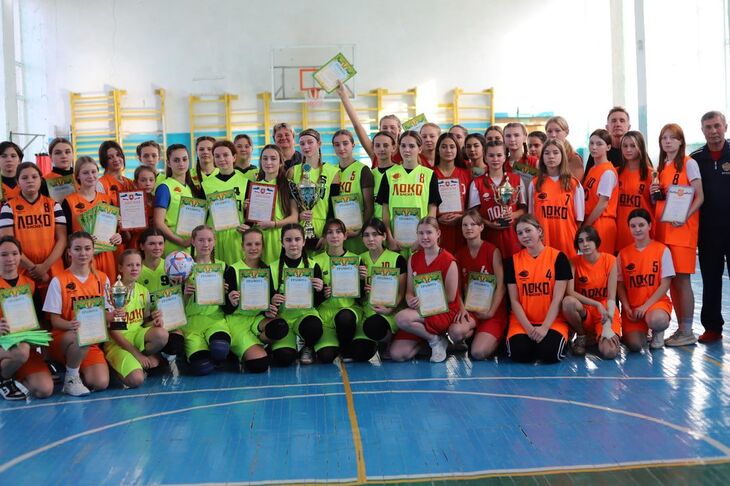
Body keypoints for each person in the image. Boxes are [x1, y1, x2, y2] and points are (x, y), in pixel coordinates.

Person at [653, 124, 704, 346]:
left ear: (681, 141)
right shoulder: (662, 167)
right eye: (664, 138)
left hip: (682, 232)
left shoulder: (689, 164)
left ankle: (687, 330)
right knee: (671, 280)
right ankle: (681, 328)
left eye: (672, 138)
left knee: (682, 280)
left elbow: (700, 196)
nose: (668, 141)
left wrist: (685, 216)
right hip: (663, 232)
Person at [43, 231, 111, 396]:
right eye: (77, 249)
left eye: (87, 248)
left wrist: (117, 314)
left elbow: (106, 315)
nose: (83, 253)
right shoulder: (58, 280)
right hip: (64, 338)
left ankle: (75, 368)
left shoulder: (102, 279)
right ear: (69, 252)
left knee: (100, 383)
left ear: (93, 250)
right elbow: (55, 321)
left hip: (90, 342)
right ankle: (71, 379)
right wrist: (70, 325)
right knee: (80, 336)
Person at [391, 217, 463, 363]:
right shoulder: (413, 259)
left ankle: (435, 341)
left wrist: (423, 302)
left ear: (438, 233)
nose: (425, 237)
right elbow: (409, 291)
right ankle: (433, 341)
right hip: (420, 311)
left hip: (443, 311)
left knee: (401, 318)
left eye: (429, 232)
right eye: (421, 233)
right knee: (397, 354)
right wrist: (410, 301)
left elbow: (450, 297)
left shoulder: (449, 261)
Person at [504, 215, 571, 363]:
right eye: (520, 233)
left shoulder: (558, 258)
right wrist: (529, 329)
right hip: (522, 322)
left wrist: (545, 327)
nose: (524, 236)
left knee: (549, 354)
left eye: (528, 230)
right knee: (519, 353)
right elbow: (514, 301)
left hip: (552, 321)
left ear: (539, 231)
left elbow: (558, 298)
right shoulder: (512, 262)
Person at [268, 223, 331, 365]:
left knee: (314, 327)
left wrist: (321, 290)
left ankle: (308, 346)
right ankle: (285, 345)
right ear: (282, 243)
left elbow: (317, 302)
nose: (293, 244)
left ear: (303, 242)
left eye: (297, 239)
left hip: (305, 316)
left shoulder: (313, 266)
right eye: (288, 240)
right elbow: (266, 302)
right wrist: (271, 300)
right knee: (284, 358)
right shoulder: (271, 267)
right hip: (283, 318)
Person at [105, 250, 168, 388]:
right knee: (136, 380)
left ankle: (144, 361)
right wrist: (138, 355)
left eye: (138, 265)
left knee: (161, 334)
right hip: (117, 342)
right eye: (129, 265)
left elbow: (144, 322)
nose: (134, 268)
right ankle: (114, 366)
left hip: (137, 335)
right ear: (120, 267)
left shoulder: (143, 290)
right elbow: (114, 332)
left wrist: (155, 322)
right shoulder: (114, 292)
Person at [692, 111, 730, 343]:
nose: (713, 131)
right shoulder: (695, 159)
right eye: (708, 127)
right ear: (702, 130)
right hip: (708, 231)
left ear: (726, 126)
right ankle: (712, 327)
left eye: (717, 125)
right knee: (711, 279)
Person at [0, 236, 53, 400]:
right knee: (21, 351)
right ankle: (3, 380)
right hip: (5, 344)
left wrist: (40, 341)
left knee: (45, 389)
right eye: (4, 254)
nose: (10, 259)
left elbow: (40, 321)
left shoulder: (30, 284)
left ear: (20, 256)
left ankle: (12, 372)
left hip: (21, 344)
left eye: (14, 253)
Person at [0, 162, 67, 289]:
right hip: (22, 269)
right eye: (24, 178)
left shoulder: (54, 205)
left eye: (34, 177)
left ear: (41, 180)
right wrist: (33, 268)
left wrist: (45, 267)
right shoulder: (8, 207)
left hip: (52, 267)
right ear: (18, 183)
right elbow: (7, 243)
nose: (30, 180)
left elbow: (62, 240)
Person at [336, 81, 430, 168]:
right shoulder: (374, 150)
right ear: (380, 130)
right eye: (385, 127)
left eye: (392, 127)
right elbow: (357, 126)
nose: (388, 130)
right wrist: (344, 97)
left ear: (399, 130)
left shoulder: (407, 151)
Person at [453, 210, 507, 359]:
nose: (468, 228)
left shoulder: (493, 251)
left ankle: (497, 336)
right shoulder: (459, 254)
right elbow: (457, 289)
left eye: (473, 224)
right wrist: (462, 309)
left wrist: (491, 312)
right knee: (455, 332)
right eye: (465, 225)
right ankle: (473, 335)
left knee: (478, 353)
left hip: (492, 310)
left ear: (481, 227)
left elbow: (501, 287)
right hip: (471, 309)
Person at [617, 208, 673, 351]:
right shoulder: (623, 254)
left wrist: (645, 307)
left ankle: (657, 332)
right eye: (633, 226)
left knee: (657, 320)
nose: (637, 229)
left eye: (641, 225)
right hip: (633, 309)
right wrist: (627, 307)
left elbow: (665, 284)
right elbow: (620, 285)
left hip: (655, 305)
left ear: (649, 225)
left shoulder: (662, 250)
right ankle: (642, 332)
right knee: (635, 346)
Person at [313, 219, 369, 360]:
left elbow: (362, 297)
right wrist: (322, 294)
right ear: (324, 237)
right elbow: (311, 298)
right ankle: (333, 340)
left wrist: (362, 280)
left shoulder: (356, 259)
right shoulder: (315, 261)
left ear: (345, 236)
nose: (334, 235)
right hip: (325, 315)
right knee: (325, 357)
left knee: (345, 319)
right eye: (330, 232)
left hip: (349, 311)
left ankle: (346, 345)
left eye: (338, 232)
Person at [181, 225, 234, 375]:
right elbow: (176, 308)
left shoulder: (223, 267)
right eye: (201, 240)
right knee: (202, 368)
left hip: (215, 320)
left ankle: (216, 352)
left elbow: (229, 306)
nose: (206, 244)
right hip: (192, 324)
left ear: (214, 241)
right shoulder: (183, 268)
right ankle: (193, 352)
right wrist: (185, 295)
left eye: (209, 240)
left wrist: (225, 294)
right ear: (193, 241)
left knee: (220, 349)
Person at [562, 226, 621, 358]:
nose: (585, 244)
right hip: (585, 311)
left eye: (589, 239)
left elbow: (612, 296)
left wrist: (607, 326)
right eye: (581, 241)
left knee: (610, 352)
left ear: (596, 241)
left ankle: (596, 335)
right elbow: (570, 292)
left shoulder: (610, 260)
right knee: (568, 302)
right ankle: (581, 335)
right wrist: (596, 304)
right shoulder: (573, 262)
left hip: (605, 311)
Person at [377, 131, 440, 255]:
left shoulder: (429, 175)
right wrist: (389, 237)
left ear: (420, 149)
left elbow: (432, 211)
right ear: (399, 147)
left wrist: (424, 237)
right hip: (395, 240)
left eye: (411, 146)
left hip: (421, 240)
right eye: (403, 146)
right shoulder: (389, 175)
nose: (407, 150)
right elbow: (385, 211)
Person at [62, 157, 122, 281]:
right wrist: (82, 239)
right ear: (78, 176)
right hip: (82, 257)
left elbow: (114, 231)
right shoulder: (69, 201)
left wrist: (117, 237)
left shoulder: (107, 200)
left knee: (107, 289)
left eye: (94, 172)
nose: (91, 176)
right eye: (85, 173)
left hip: (106, 255)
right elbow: (65, 236)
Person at [224, 228, 275, 373]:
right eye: (249, 244)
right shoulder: (232, 270)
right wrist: (231, 302)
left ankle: (261, 343)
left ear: (263, 246)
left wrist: (270, 309)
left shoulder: (267, 270)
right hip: (237, 321)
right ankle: (237, 350)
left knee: (278, 327)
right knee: (259, 365)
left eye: (257, 244)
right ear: (242, 246)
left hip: (257, 319)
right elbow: (225, 309)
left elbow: (269, 300)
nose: (253, 248)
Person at [468, 140, 526, 259]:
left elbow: (524, 209)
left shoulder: (516, 179)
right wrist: (488, 223)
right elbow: (473, 214)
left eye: (499, 155)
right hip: (488, 238)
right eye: (491, 155)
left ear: (505, 157)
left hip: (513, 239)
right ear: (485, 157)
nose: (495, 159)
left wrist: (513, 215)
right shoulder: (477, 183)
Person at [358, 218, 407, 358]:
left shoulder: (397, 259)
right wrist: (360, 282)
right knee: (361, 352)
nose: (370, 239)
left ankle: (388, 339)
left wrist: (390, 309)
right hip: (367, 311)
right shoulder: (359, 259)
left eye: (375, 234)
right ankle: (376, 341)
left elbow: (401, 293)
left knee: (373, 326)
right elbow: (356, 294)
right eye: (366, 235)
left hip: (390, 311)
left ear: (384, 236)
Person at [529, 139, 584, 259]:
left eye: (555, 152)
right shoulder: (535, 184)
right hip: (543, 242)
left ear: (562, 156)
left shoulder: (574, 184)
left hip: (567, 242)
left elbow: (579, 220)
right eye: (547, 153)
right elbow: (532, 217)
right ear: (542, 157)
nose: (551, 156)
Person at [288, 129, 340, 249]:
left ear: (319, 143)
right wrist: (298, 215)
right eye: (302, 143)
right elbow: (289, 203)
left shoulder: (333, 172)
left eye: (310, 142)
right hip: (298, 229)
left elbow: (333, 207)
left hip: (324, 227)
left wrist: (327, 233)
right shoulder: (293, 171)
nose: (306, 146)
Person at [202, 140, 250, 265]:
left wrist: (248, 225)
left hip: (237, 237)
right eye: (217, 156)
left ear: (234, 157)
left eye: (225, 155)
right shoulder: (206, 184)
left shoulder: (246, 182)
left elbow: (251, 214)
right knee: (216, 274)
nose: (221, 159)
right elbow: (201, 216)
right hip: (214, 238)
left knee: (236, 273)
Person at [251, 145, 299, 265]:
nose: (268, 162)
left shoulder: (288, 185)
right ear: (260, 161)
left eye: (273, 158)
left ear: (281, 162)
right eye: (265, 158)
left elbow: (294, 218)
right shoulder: (254, 186)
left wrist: (274, 224)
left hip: (280, 237)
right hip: (259, 237)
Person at [333, 129, 374, 254]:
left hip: (357, 231)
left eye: (345, 143)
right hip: (337, 233)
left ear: (353, 145)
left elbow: (369, 206)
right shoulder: (332, 171)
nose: (341, 148)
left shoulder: (363, 170)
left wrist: (360, 230)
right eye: (337, 144)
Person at [153, 144, 198, 256]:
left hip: (190, 244)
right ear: (169, 163)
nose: (181, 163)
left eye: (184, 159)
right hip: (172, 245)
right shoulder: (164, 187)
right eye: (176, 160)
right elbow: (158, 223)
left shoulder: (189, 187)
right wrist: (181, 242)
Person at [433, 132, 471, 255]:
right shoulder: (429, 174)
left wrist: (462, 216)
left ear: (457, 150)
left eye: (452, 146)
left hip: (462, 229)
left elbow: (473, 206)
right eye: (444, 146)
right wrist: (436, 218)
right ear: (438, 150)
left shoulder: (467, 174)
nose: (448, 150)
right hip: (438, 230)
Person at [616, 131, 654, 252]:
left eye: (633, 146)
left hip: (642, 233)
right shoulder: (615, 172)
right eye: (625, 146)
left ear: (640, 147)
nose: (628, 149)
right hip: (620, 233)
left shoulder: (651, 174)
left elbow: (656, 205)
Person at [582, 129, 618, 255]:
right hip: (592, 221)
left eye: (599, 144)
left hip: (602, 221)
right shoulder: (593, 169)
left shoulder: (607, 172)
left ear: (608, 147)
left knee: (602, 261)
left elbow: (602, 204)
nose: (594, 147)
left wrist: (586, 225)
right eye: (591, 143)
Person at [585, 107, 630, 172]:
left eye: (622, 121)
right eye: (614, 121)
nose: (618, 124)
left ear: (629, 127)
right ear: (607, 127)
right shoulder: (598, 151)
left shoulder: (635, 152)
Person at [98, 140, 136, 206]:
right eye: (110, 157)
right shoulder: (100, 184)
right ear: (104, 161)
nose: (116, 159)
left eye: (118, 155)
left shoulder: (130, 183)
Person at [127, 164, 157, 250]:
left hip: (155, 245)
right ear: (135, 183)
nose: (148, 183)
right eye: (143, 180)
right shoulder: (130, 202)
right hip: (136, 245)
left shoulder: (158, 200)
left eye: (151, 180)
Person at [370, 131, 398, 220]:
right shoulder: (370, 174)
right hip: (376, 224)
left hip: (396, 222)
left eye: (386, 145)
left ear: (393, 147)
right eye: (377, 145)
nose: (381, 149)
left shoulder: (401, 172)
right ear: (373, 148)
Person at [44, 137, 76, 203]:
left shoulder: (80, 177)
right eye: (58, 153)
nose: (64, 156)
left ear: (73, 155)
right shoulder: (44, 181)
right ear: (50, 157)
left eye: (67, 152)